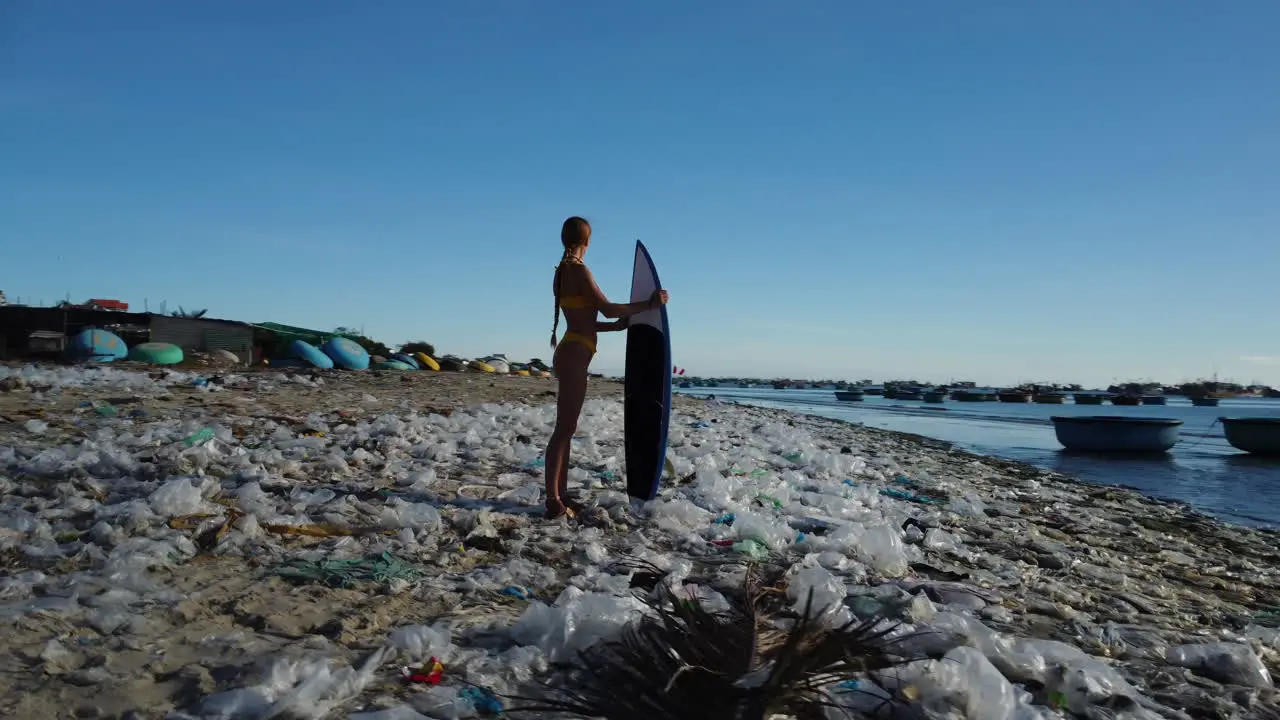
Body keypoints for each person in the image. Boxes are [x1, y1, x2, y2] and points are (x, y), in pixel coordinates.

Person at [545, 216, 668, 519]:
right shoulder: (579, 270)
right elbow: (609, 308)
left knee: (567, 428)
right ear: (587, 241)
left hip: (572, 346)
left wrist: (617, 328)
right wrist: (648, 305)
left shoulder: (561, 272)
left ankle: (560, 494)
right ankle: (552, 499)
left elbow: (585, 322)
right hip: (574, 353)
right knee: (564, 429)